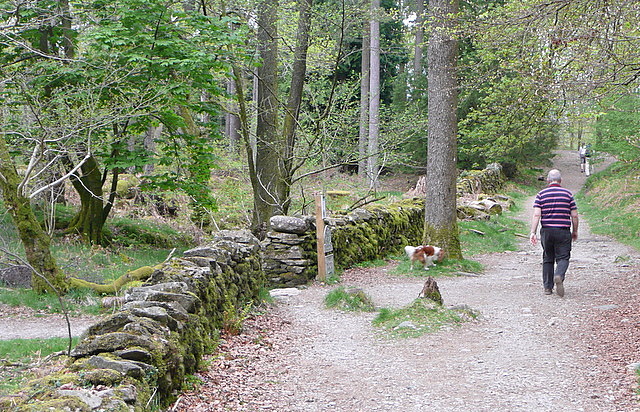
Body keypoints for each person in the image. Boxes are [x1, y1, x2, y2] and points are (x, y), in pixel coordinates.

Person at [529, 169, 579, 297]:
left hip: (547, 231)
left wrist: (533, 232)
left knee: (548, 257)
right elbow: (574, 216)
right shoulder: (568, 194)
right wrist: (575, 231)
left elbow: (536, 214)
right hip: (563, 231)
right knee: (563, 257)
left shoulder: (541, 194)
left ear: (547, 180)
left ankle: (547, 287)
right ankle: (559, 275)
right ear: (561, 181)